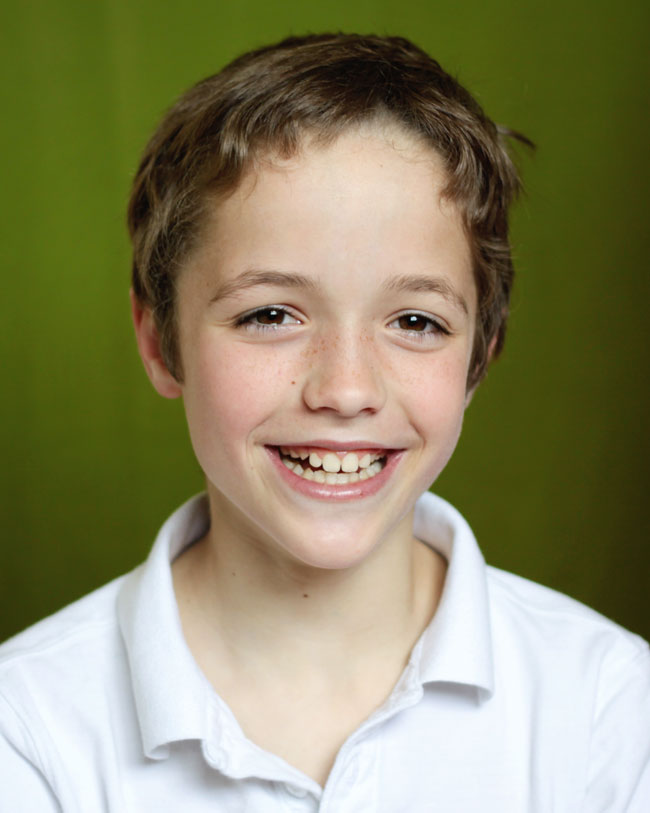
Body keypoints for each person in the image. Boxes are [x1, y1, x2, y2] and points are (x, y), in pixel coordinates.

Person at [1, 33, 648, 811]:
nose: (345, 388)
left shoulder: (612, 712)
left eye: (415, 320)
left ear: (480, 357)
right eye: (271, 313)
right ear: (159, 341)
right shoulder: (28, 729)